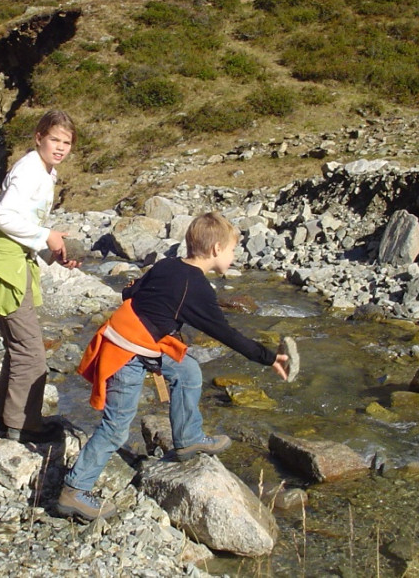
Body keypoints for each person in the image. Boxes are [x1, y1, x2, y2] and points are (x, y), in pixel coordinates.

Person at [57, 212, 289, 522]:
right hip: (126, 353)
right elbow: (227, 335)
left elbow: (131, 293)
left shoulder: (168, 265)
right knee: (116, 428)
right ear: (217, 249)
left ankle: (188, 438)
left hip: (139, 343)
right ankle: (74, 490)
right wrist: (268, 357)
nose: (235, 256)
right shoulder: (197, 289)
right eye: (233, 250)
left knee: (188, 369)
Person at [0, 109, 79, 442]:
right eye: (54, 140)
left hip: (15, 261)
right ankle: (21, 425)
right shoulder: (29, 170)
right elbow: (4, 218)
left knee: (20, 348)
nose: (60, 147)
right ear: (39, 138)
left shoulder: (47, 171)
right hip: (3, 267)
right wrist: (47, 236)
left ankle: (6, 419)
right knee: (31, 353)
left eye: (67, 142)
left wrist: (52, 254)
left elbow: (24, 225)